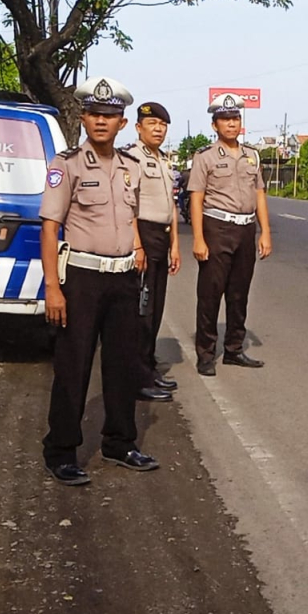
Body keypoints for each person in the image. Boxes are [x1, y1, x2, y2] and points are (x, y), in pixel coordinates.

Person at [39, 76, 159, 486]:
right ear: (84, 118)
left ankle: (120, 442)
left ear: (122, 122)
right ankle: (61, 450)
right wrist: (53, 287)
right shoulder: (67, 165)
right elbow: (49, 228)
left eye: (110, 115)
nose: (102, 122)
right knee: (73, 367)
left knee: (122, 365)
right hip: (82, 279)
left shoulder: (131, 168)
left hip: (123, 277)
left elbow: (132, 217)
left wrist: (140, 249)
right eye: (94, 114)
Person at [189, 93, 273, 376]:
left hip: (245, 228)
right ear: (215, 125)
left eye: (235, 118)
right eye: (225, 119)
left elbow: (259, 193)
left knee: (239, 293)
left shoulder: (252, 156)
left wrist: (265, 232)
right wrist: (198, 238)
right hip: (217, 227)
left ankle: (234, 349)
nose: (231, 124)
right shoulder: (205, 157)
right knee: (210, 294)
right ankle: (206, 353)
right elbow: (196, 198)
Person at [121, 102, 181, 401]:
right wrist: (136, 244)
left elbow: (170, 206)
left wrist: (175, 245)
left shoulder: (163, 160)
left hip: (161, 236)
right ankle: (136, 377)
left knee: (154, 307)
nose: (158, 129)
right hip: (142, 234)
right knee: (141, 310)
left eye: (163, 125)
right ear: (138, 127)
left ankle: (147, 366)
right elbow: (128, 204)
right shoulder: (132, 158)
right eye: (152, 124)